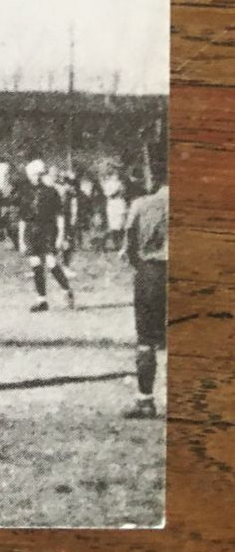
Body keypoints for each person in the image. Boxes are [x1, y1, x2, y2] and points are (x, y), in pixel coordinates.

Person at [122, 157, 168, 419]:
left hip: (151, 273)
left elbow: (129, 248)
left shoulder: (142, 204)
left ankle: (145, 401)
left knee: (146, 340)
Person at [20, 158, 75, 312]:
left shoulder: (51, 192)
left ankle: (66, 290)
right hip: (31, 231)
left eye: (38, 174)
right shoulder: (26, 192)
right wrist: (21, 240)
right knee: (36, 265)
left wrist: (60, 236)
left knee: (51, 263)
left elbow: (59, 216)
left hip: (47, 230)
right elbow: (23, 218)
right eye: (33, 175)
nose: (35, 177)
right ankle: (41, 300)